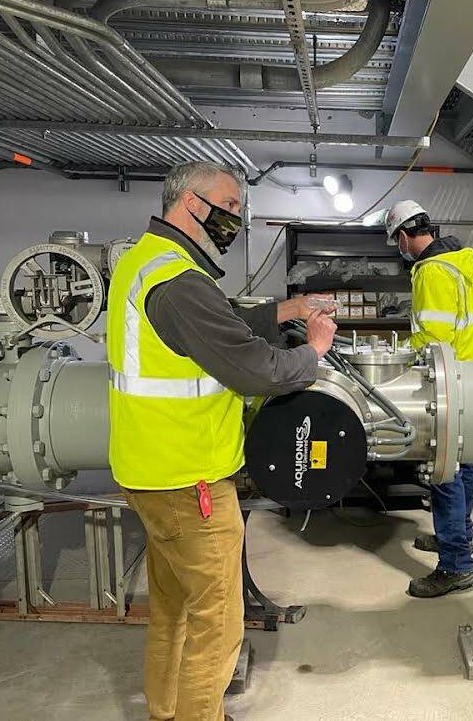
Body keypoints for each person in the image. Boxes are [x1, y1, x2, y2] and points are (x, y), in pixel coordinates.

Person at [107, 161, 337, 721]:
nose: (236, 219)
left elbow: (218, 323)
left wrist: (287, 309)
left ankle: (167, 711)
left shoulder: (147, 262)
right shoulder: (181, 282)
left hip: (150, 473)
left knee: (173, 609)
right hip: (191, 483)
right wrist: (314, 350)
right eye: (230, 207)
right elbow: (256, 369)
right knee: (219, 622)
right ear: (191, 202)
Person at [385, 200, 473, 598]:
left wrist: (402, 356)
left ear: (403, 236)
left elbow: (433, 339)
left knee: (444, 472)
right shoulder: (458, 261)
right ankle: (457, 539)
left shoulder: (431, 271)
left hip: (450, 383)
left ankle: (456, 566)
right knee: (461, 468)